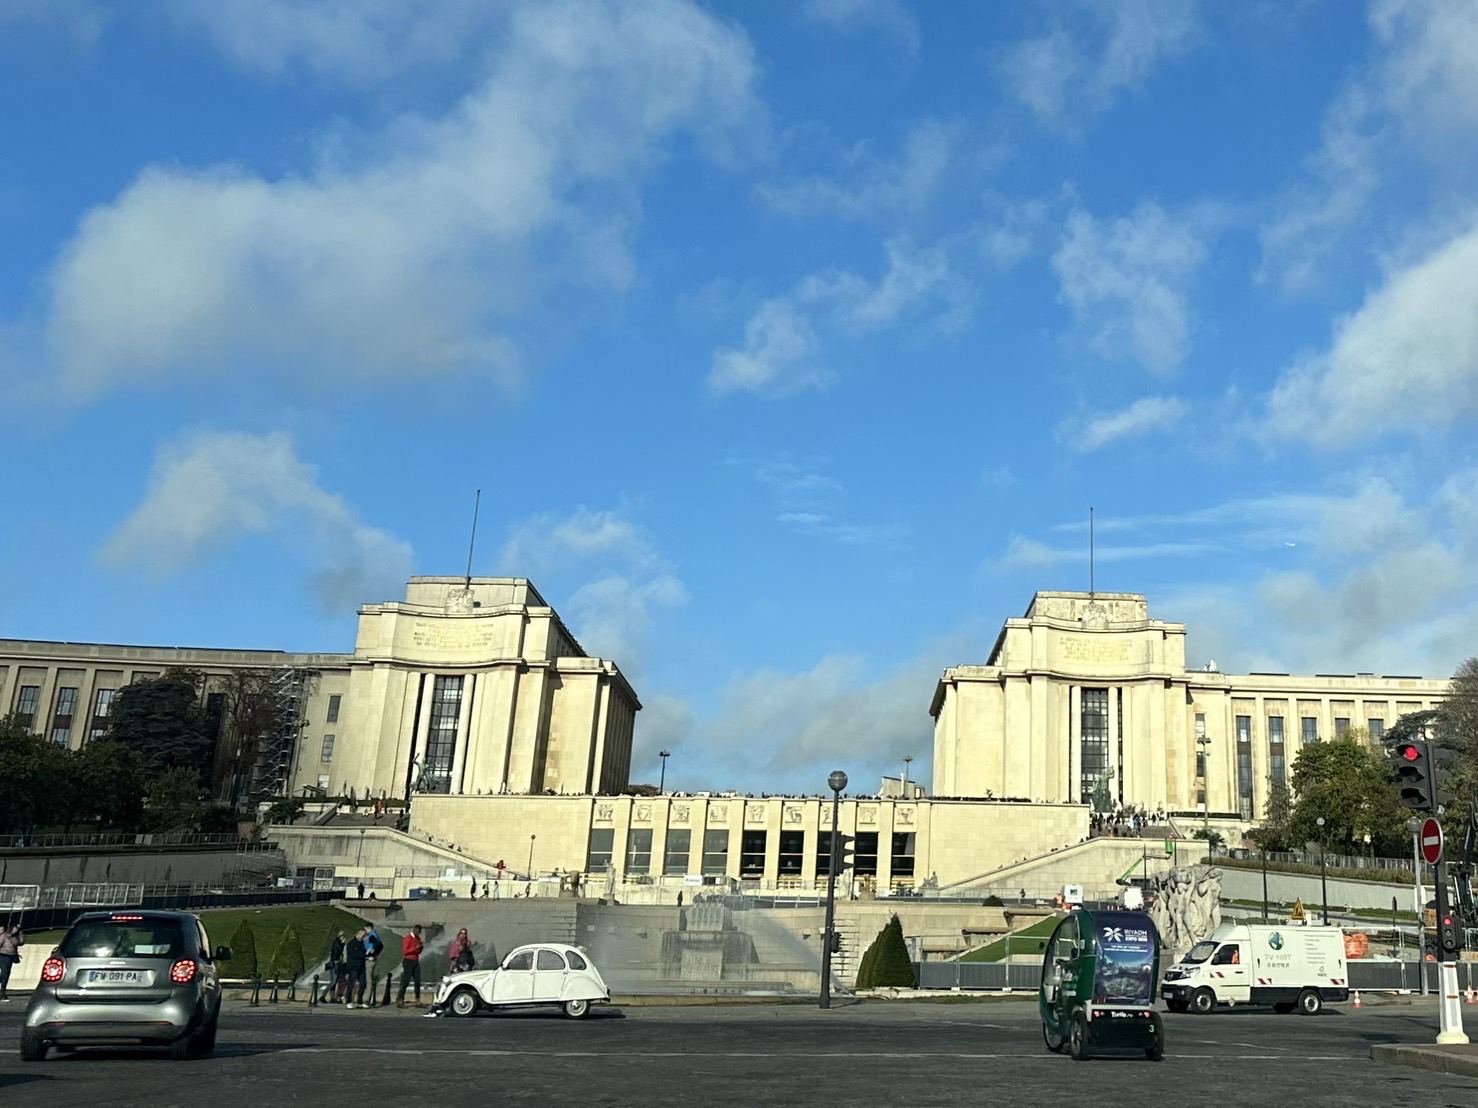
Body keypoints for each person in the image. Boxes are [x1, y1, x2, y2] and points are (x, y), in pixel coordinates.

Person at [397, 924, 424, 1008]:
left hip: (415, 960)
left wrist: (420, 948)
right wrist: (415, 948)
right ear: (414, 930)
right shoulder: (408, 938)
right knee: (406, 981)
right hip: (408, 960)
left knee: (417, 981)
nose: (418, 933)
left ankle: (418, 1000)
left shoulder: (418, 939)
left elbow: (417, 951)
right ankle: (400, 1000)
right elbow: (405, 951)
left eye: (419, 932)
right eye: (417, 931)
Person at [344, 928, 369, 1008]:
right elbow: (353, 954)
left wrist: (367, 954)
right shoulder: (351, 943)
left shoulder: (362, 943)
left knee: (363, 984)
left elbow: (363, 952)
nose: (362, 937)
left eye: (364, 935)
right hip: (353, 966)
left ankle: (359, 1001)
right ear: (357, 934)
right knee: (351, 984)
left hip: (361, 966)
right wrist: (364, 956)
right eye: (361, 935)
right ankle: (349, 1001)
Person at [0, 923, 23, 1002]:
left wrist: (20, 933)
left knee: (6, 974)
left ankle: (3, 991)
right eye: (15, 928)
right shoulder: (4, 936)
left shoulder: (15, 937)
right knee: (5, 974)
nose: (16, 929)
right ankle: (2, 993)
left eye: (17, 928)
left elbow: (21, 942)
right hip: (3, 955)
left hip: (11, 956)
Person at [325, 930, 346, 1003]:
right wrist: (342, 944)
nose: (344, 937)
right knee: (333, 981)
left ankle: (332, 998)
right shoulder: (337, 943)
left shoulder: (337, 942)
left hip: (336, 963)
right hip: (335, 963)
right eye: (343, 936)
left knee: (334, 981)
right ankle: (323, 996)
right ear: (340, 936)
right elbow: (337, 953)